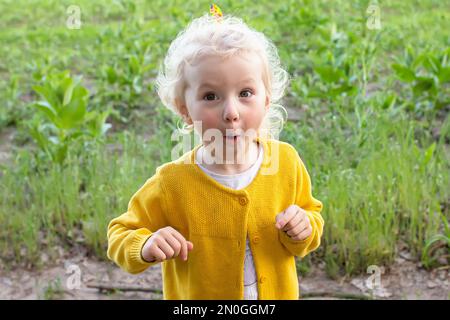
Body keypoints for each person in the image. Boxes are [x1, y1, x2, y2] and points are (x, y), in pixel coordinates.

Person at [107, 10, 324, 300]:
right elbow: (120, 233)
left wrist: (304, 227)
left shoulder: (285, 162)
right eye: (211, 96)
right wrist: (146, 245)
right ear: (184, 110)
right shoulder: (173, 182)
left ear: (267, 99)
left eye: (246, 93)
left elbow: (310, 221)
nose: (231, 113)